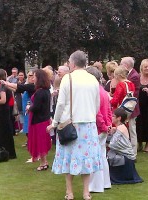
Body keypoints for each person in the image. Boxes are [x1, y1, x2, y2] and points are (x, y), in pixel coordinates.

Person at [47, 50, 102, 200]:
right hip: (89, 125)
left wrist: (54, 122)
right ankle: (86, 192)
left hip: (71, 125)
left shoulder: (68, 79)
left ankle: (70, 192)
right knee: (86, 159)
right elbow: (97, 105)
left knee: (68, 158)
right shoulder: (93, 80)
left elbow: (60, 104)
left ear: (72, 63)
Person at [86, 67, 112, 193]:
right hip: (103, 127)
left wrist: (103, 126)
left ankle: (95, 185)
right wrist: (108, 125)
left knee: (95, 156)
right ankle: (105, 182)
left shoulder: (95, 91)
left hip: (99, 128)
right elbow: (107, 111)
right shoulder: (102, 90)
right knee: (102, 156)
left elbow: (97, 113)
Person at [107, 108, 143, 184]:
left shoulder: (120, 129)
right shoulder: (120, 127)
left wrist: (103, 143)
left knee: (109, 156)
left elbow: (113, 144)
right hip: (128, 158)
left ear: (119, 118)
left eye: (113, 116)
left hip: (126, 159)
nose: (112, 117)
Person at [26, 69, 52, 170]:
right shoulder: (46, 91)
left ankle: (43, 163)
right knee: (42, 141)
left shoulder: (40, 92)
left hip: (39, 120)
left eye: (35, 76)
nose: (33, 78)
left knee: (40, 142)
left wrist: (29, 108)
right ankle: (44, 161)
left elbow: (36, 107)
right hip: (44, 119)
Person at [0, 69, 17, 161]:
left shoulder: (2, 86)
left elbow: (3, 100)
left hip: (1, 111)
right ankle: (9, 152)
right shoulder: (6, 85)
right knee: (6, 131)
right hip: (4, 111)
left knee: (1, 132)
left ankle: (2, 152)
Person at [121, 57, 140, 156]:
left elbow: (133, 94)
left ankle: (133, 153)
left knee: (132, 130)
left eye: (121, 64)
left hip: (131, 108)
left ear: (126, 65)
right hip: (128, 106)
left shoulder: (134, 76)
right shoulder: (130, 75)